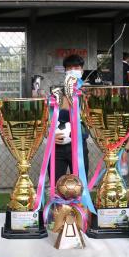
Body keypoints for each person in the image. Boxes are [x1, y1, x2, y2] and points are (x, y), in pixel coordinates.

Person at [53, 54, 89, 182]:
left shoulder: (88, 92)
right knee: (56, 183)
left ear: (82, 70)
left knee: (80, 183)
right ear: (65, 71)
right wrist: (49, 135)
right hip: (58, 145)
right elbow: (48, 118)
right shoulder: (56, 92)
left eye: (76, 67)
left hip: (79, 144)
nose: (73, 70)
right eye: (69, 68)